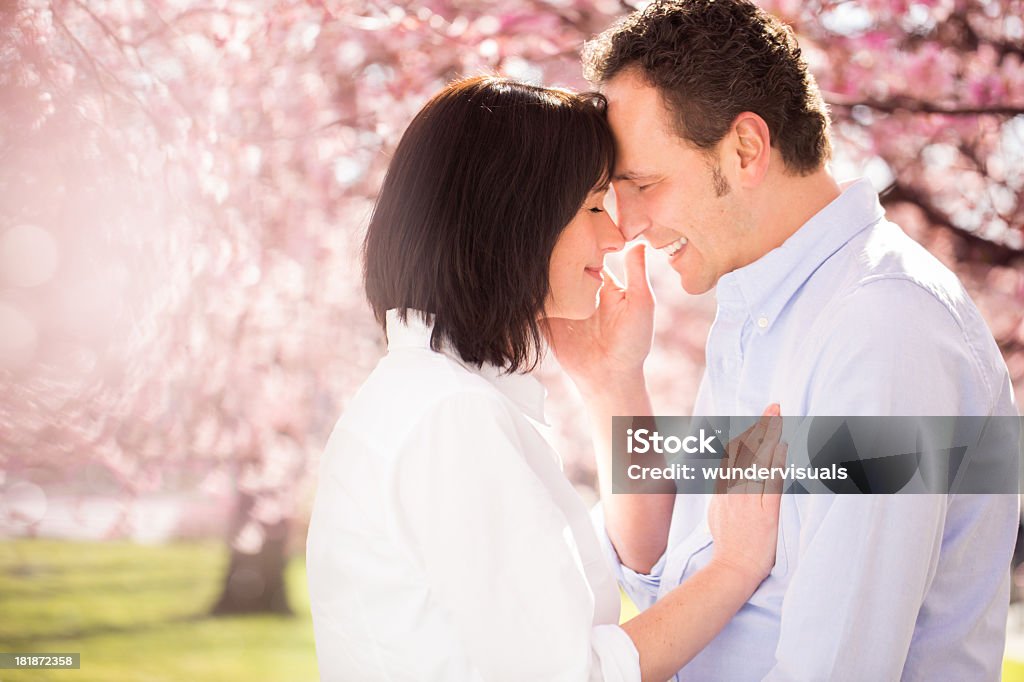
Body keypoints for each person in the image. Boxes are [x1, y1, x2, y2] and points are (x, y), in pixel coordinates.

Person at [546, 0, 1020, 679]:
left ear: (746, 149)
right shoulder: (761, 313)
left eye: (644, 185)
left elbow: (835, 667)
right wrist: (614, 385)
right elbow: (664, 571)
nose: (630, 227)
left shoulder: (882, 331)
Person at [305, 75, 786, 682]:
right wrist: (736, 565)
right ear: (513, 218)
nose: (615, 236)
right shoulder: (449, 417)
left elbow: (618, 554)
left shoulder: (432, 396)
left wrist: (612, 382)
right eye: (591, 207)